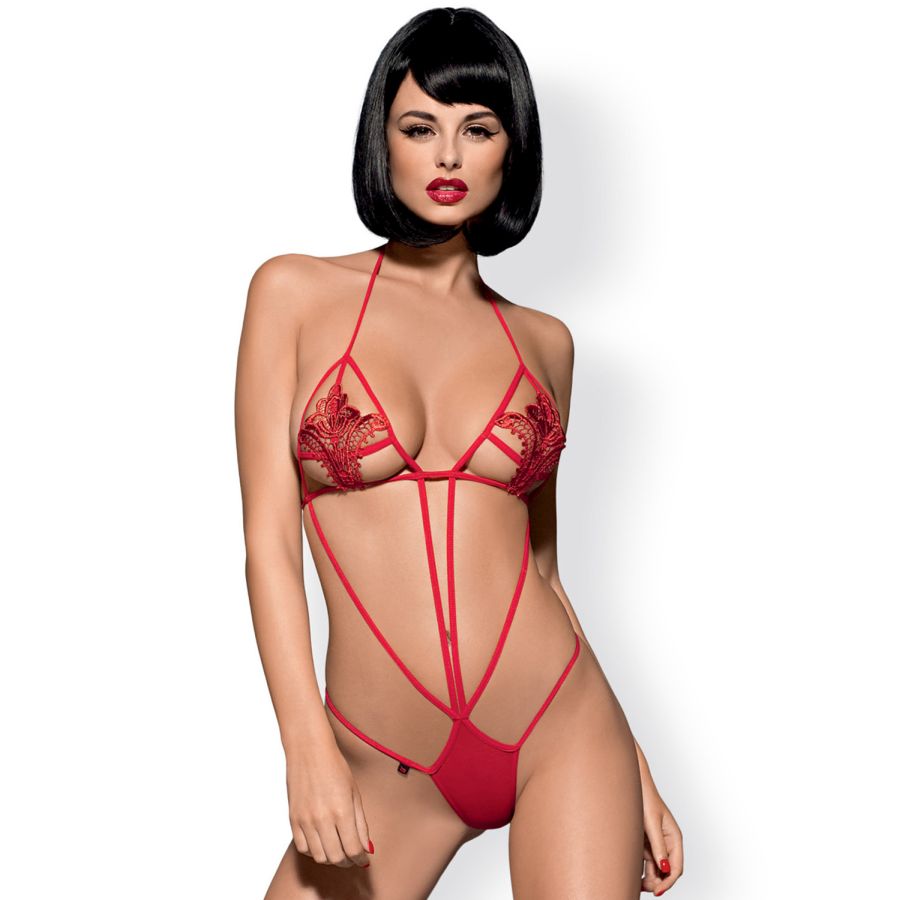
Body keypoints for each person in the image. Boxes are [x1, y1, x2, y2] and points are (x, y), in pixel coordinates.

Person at [235, 8, 683, 898]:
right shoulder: (294, 293)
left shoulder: (544, 343)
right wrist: (305, 747)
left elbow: (542, 571)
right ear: (382, 141)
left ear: (512, 150)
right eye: (419, 128)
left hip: (560, 724)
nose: (448, 156)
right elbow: (267, 544)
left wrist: (634, 765)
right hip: (383, 759)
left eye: (477, 129)